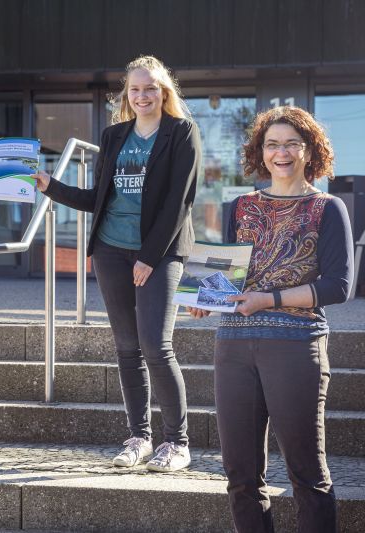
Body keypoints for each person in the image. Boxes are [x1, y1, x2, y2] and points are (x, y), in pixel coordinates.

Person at [186, 106, 353, 532]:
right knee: (239, 475)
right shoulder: (239, 206)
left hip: (296, 346)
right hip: (235, 346)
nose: (281, 152)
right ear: (260, 152)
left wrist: (268, 299)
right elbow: (231, 273)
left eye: (291, 144)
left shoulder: (327, 208)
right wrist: (208, 298)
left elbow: (338, 286)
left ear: (309, 150)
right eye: (272, 144)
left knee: (306, 474)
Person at [33, 55, 201, 472]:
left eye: (150, 89)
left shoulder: (181, 132)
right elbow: (99, 199)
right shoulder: (114, 136)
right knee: (127, 348)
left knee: (157, 347)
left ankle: (177, 443)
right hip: (110, 249)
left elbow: (179, 202)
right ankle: (139, 437)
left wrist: (148, 258)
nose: (143, 96)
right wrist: (49, 186)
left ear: (164, 92)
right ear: (126, 95)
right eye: (135, 89)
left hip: (159, 254)